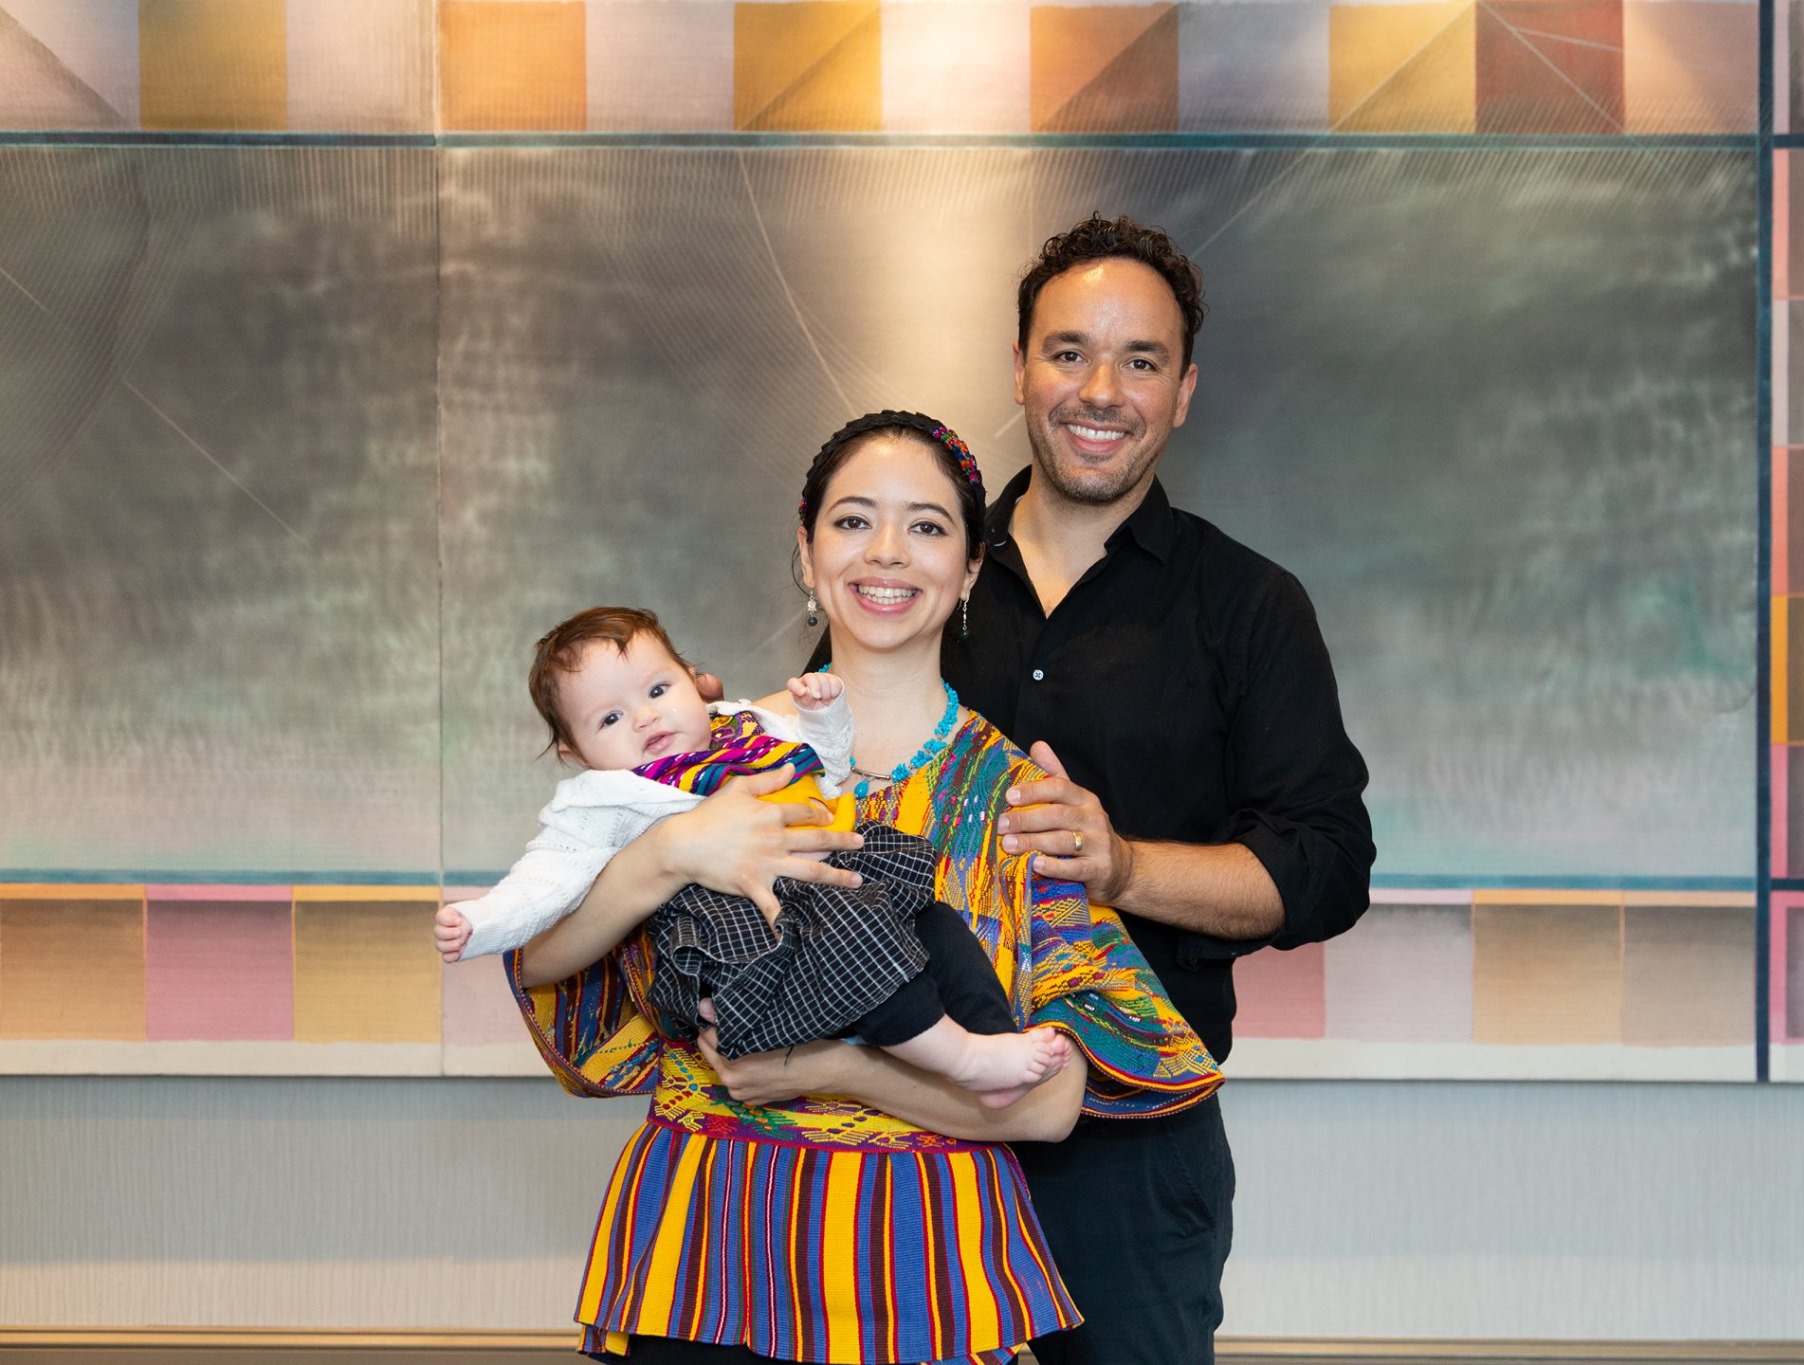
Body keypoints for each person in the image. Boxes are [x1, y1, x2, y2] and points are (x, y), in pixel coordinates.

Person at [513, 410, 1222, 1363]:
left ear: (972, 569)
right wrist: (667, 855)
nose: (886, 552)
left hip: (917, 1272)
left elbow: (1052, 1104)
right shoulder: (691, 754)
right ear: (806, 552)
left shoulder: (1017, 798)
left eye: (927, 525)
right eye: (852, 521)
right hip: (705, 1250)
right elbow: (546, 964)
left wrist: (834, 1069)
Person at [952, 216, 1377, 1364]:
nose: (1101, 390)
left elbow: (1325, 867)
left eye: (1139, 361)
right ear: (1018, 369)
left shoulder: (1247, 606)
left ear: (1182, 392)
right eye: (1068, 351)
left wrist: (1120, 865)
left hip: (1130, 1141)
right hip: (902, 1120)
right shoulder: (915, 581)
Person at [435, 605, 1069, 1102]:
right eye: (609, 719)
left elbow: (828, 765)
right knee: (858, 944)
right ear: (576, 755)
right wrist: (482, 920)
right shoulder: (604, 799)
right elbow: (543, 885)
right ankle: (965, 1060)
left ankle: (994, 1044)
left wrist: (824, 716)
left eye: (658, 690)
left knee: (933, 920)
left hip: (832, 879)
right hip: (737, 934)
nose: (645, 719)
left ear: (696, 682)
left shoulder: (745, 727)